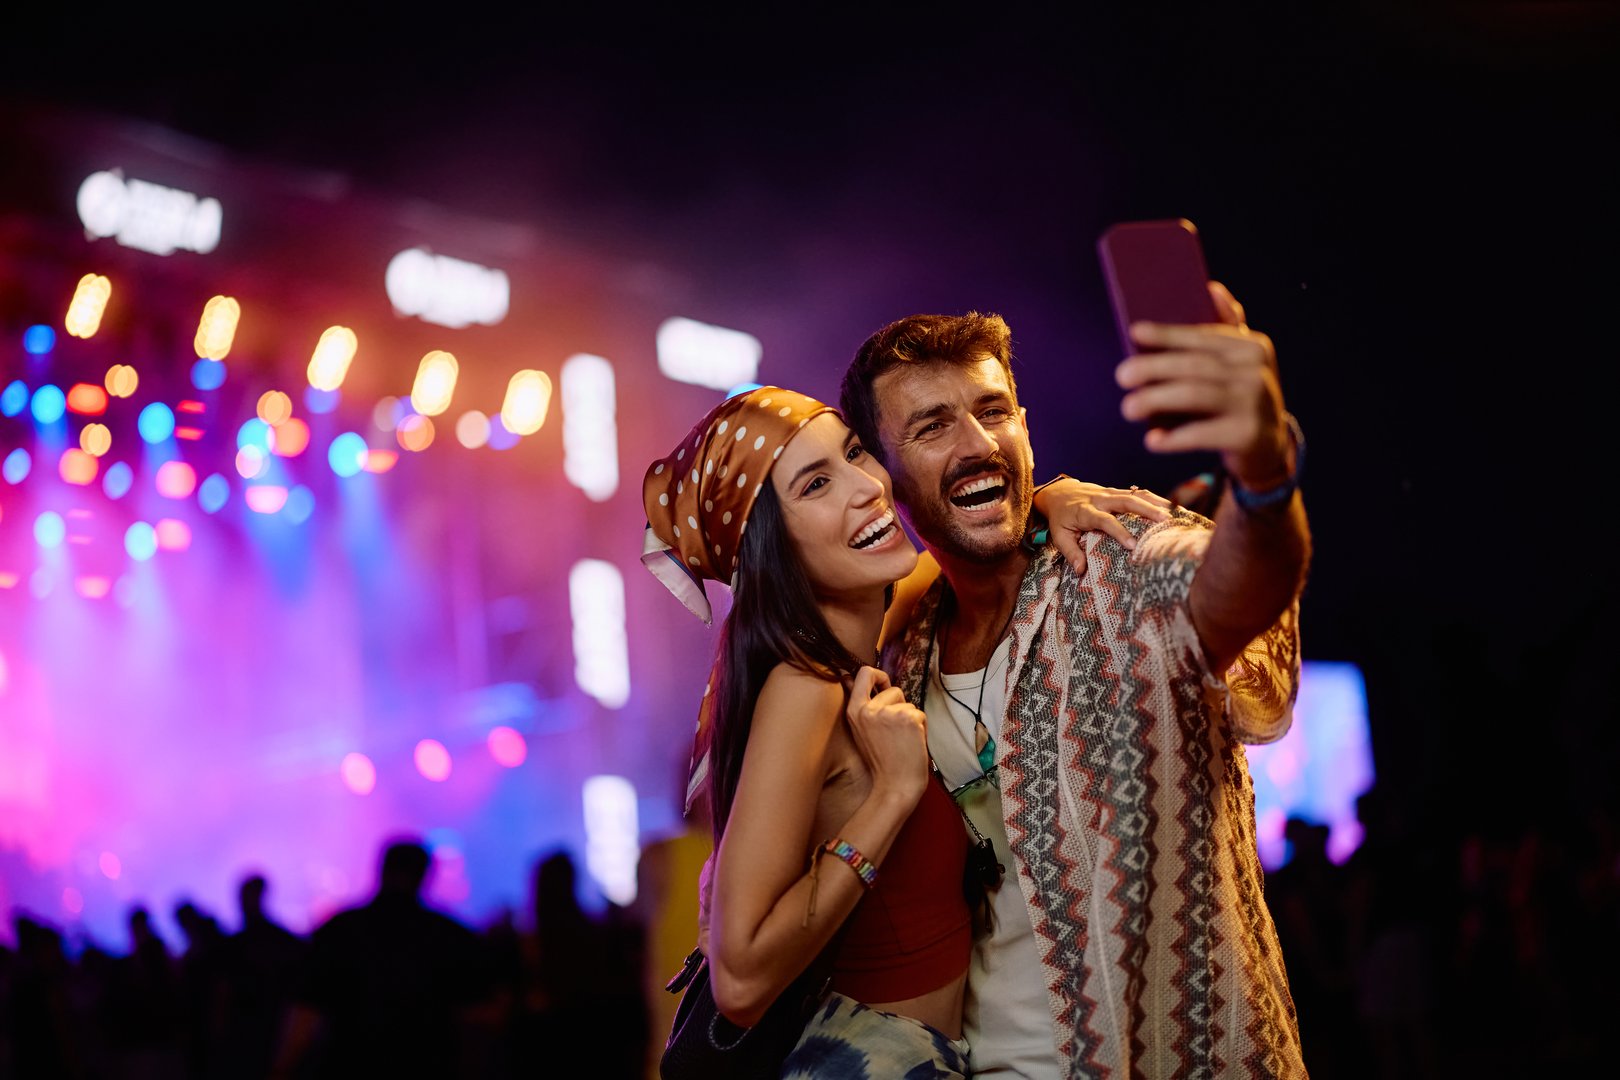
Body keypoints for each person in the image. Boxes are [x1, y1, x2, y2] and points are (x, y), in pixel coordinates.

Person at [837, 282, 1312, 1077]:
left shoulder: (1116, 560)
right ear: (884, 473)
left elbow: (1239, 582)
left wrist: (1261, 474)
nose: (977, 443)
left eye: (993, 411)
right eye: (931, 426)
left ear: (1025, 426)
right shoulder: (900, 650)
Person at [641, 387, 1161, 1076]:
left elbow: (943, 560)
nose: (866, 488)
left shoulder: (852, 649)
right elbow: (739, 981)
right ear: (774, 545)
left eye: (855, 453)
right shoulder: (804, 690)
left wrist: (1043, 499)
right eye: (817, 484)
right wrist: (891, 797)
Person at [271, 838, 499, 1079]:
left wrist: (282, 1068)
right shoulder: (453, 937)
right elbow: (479, 1020)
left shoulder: (339, 931)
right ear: (426, 875)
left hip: (349, 1066)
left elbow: (306, 1013)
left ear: (381, 870)